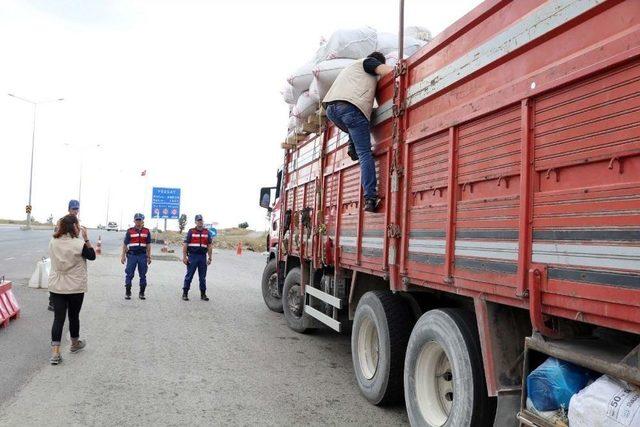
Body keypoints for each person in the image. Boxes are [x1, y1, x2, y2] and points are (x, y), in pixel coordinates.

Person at [323, 51, 394, 212]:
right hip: (350, 108)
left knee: (355, 125)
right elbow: (388, 71)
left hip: (332, 110)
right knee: (365, 153)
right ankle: (370, 198)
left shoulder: (352, 71)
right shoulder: (368, 62)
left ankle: (351, 147)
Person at [47, 214, 96, 365]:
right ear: (75, 227)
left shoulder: (53, 241)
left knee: (58, 319)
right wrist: (86, 238)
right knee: (74, 316)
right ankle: (74, 344)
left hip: (57, 286)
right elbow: (92, 256)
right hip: (75, 287)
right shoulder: (79, 244)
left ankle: (55, 353)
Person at [48, 199, 81, 312]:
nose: (75, 211)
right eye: (73, 209)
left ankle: (64, 299)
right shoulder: (62, 221)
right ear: (69, 209)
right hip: (60, 248)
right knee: (57, 275)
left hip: (71, 250)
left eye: (77, 209)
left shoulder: (77, 221)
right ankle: (52, 301)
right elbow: (57, 235)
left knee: (67, 277)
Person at [120, 213, 152, 300]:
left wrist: (149, 256)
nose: (138, 221)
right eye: (137, 220)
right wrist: (123, 256)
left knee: (143, 275)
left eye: (140, 220)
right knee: (129, 274)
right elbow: (125, 244)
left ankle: (142, 293)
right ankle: (128, 292)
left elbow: (148, 245)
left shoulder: (146, 231)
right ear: (134, 220)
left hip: (142, 256)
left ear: (142, 221)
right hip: (132, 256)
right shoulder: (130, 231)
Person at [182, 214, 212, 301]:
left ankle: (203, 294)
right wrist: (184, 257)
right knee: (189, 276)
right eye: (198, 220)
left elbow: (209, 246)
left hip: (202, 257)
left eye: (201, 220)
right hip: (192, 256)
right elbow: (185, 245)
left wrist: (210, 258)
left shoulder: (207, 232)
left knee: (202, 277)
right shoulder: (191, 231)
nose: (200, 222)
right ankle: (185, 293)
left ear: (203, 221)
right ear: (195, 222)